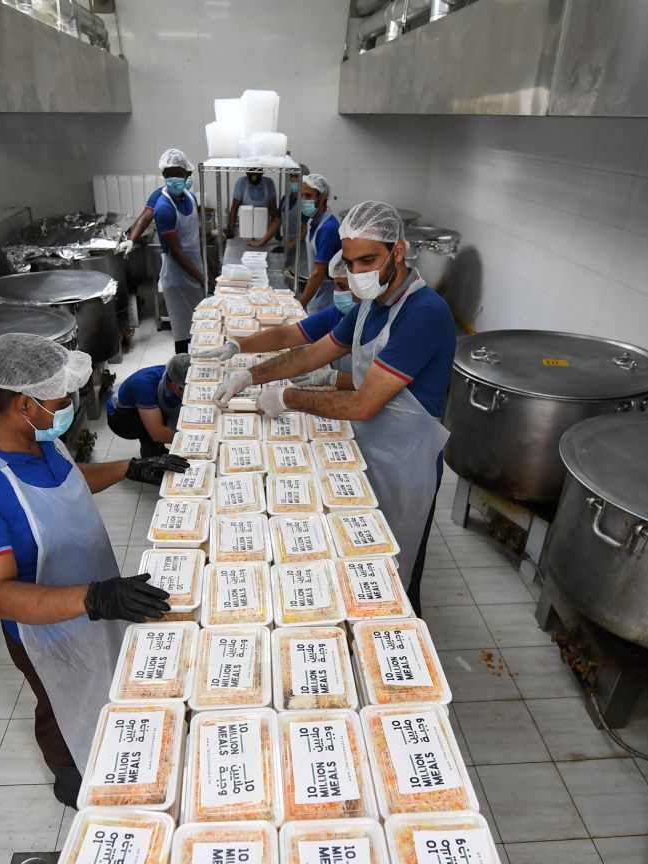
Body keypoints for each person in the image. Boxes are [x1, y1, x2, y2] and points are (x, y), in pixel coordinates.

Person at [0, 334, 189, 806]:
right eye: (60, 400)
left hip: (93, 595)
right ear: (22, 403)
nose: (69, 406)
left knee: (110, 682)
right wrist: (95, 598)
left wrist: (129, 468)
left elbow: (66, 483)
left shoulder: (35, 438)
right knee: (62, 702)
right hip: (46, 630)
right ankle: (68, 773)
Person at [212, 202, 453, 612]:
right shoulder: (369, 307)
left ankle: (402, 634)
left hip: (404, 463)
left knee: (392, 570)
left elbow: (361, 404)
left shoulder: (424, 313)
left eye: (369, 260)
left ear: (398, 251)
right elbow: (309, 354)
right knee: (357, 562)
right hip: (368, 452)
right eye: (351, 261)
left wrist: (288, 398)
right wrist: (251, 376)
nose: (358, 272)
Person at [191, 253, 353, 380]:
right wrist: (237, 346)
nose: (338, 293)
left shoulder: (373, 323)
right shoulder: (338, 315)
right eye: (336, 286)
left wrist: (332, 378)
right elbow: (285, 336)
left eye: (343, 286)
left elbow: (373, 390)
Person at [152, 148, 207, 355]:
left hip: (194, 269)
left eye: (179, 174)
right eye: (169, 174)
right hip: (177, 276)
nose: (174, 178)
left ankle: (202, 365)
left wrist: (206, 264)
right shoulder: (163, 208)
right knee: (183, 331)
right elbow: (176, 251)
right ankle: (182, 370)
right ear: (164, 176)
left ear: (187, 175)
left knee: (201, 325)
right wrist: (202, 277)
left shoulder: (191, 197)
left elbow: (195, 234)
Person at [106, 354, 189, 457]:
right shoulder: (145, 385)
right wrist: (189, 440)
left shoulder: (174, 373)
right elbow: (158, 433)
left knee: (167, 412)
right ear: (175, 385)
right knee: (157, 421)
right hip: (120, 416)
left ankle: (158, 448)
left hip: (136, 403)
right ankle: (151, 458)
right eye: (186, 390)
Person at [296, 174, 340, 313]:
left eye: (308, 196)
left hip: (327, 293)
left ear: (321, 198)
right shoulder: (313, 221)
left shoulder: (328, 228)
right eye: (302, 196)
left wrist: (299, 304)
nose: (303, 200)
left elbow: (318, 273)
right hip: (318, 289)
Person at [227, 169, 279, 244]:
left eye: (257, 172)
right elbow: (234, 209)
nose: (254, 175)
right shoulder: (241, 183)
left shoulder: (269, 183)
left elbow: (274, 212)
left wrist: (276, 234)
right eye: (251, 172)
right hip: (245, 232)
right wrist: (230, 233)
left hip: (264, 233)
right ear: (247, 173)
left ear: (262, 172)